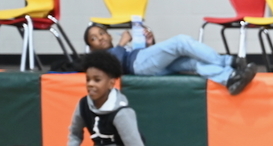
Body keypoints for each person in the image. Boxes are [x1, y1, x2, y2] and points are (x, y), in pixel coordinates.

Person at [66, 50, 161, 146]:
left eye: (97, 80)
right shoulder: (83, 105)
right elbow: (75, 132)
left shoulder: (121, 113)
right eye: (88, 79)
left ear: (111, 83)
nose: (90, 84)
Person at [84, 24, 257, 95]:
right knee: (181, 41)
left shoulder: (118, 49)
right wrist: (122, 42)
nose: (100, 38)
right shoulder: (99, 58)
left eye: (101, 33)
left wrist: (150, 44)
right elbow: (118, 65)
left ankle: (230, 78)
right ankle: (229, 61)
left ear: (108, 34)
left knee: (194, 62)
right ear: (91, 47)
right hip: (138, 65)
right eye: (94, 38)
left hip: (145, 65)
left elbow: (142, 57)